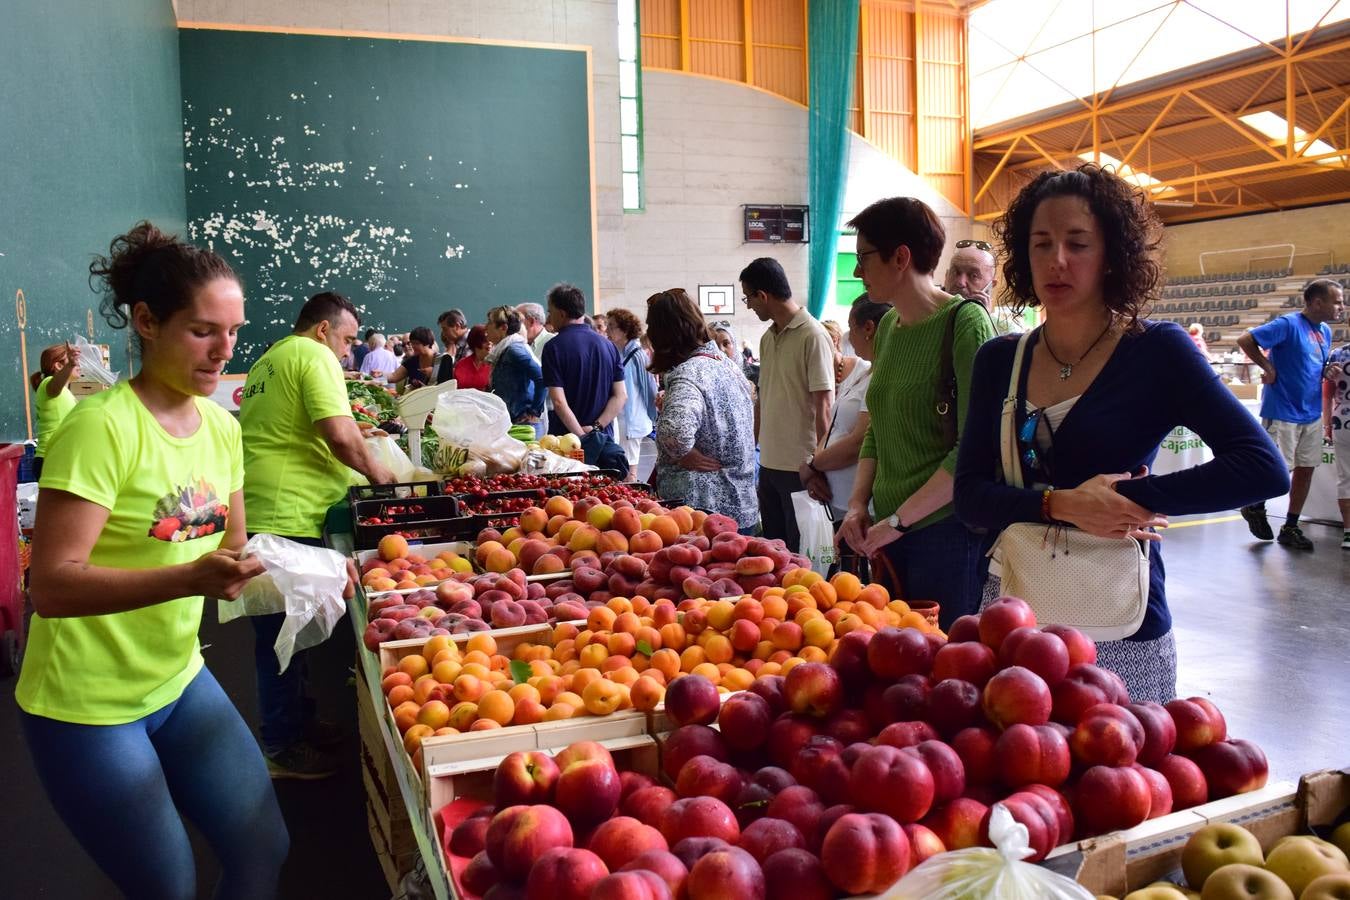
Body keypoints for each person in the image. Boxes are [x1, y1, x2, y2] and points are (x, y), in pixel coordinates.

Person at [18, 222, 289, 897]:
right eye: (203, 331)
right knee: (167, 885)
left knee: (264, 848)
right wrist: (186, 578)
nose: (223, 350)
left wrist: (303, 571)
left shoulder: (222, 427)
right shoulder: (101, 428)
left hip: (175, 677)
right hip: (87, 704)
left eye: (233, 331)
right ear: (146, 321)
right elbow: (49, 586)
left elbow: (233, 550)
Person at [953, 163, 1289, 702]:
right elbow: (969, 498)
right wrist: (1060, 504)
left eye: (1078, 243)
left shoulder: (1157, 351)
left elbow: (1262, 467)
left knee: (1121, 770)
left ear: (1112, 254)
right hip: (1013, 613)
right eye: (1041, 244)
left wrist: (1128, 499)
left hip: (1120, 623)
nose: (1057, 261)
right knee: (1016, 771)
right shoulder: (1000, 360)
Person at [240, 291, 396, 779]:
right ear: (324, 330)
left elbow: (298, 431)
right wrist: (381, 478)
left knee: (290, 633)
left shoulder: (272, 357)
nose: (348, 351)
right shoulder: (313, 354)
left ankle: (297, 724)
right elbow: (338, 433)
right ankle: (281, 745)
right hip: (289, 514)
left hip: (268, 508)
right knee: (281, 636)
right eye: (348, 340)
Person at [836, 198, 996, 629]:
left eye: (863, 258)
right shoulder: (888, 327)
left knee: (940, 671)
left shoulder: (966, 325)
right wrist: (856, 506)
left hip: (943, 535)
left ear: (901, 257)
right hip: (887, 534)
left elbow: (974, 449)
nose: (857, 272)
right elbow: (878, 428)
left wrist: (899, 522)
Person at [1236, 279, 1343, 550]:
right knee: (1278, 471)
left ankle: (1290, 526)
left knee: (1306, 469)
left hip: (1311, 412)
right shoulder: (1288, 324)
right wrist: (1267, 366)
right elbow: (1246, 339)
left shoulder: (1325, 331)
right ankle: (1254, 504)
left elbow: (1316, 364)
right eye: (1337, 301)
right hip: (1283, 410)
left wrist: (1327, 371)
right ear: (1318, 302)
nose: (1342, 306)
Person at [742, 257, 834, 552]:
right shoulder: (768, 338)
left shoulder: (814, 335)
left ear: (763, 296)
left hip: (801, 468)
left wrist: (819, 465)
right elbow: (764, 398)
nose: (748, 306)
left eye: (748, 298)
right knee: (774, 552)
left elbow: (824, 406)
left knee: (804, 555)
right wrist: (753, 448)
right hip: (768, 464)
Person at [648, 289, 758, 531]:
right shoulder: (729, 366)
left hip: (701, 515)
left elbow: (674, 433)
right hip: (741, 505)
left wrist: (682, 453)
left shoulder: (689, 373)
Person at [801, 295, 890, 570]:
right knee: (837, 574)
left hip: (863, 505)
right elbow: (833, 428)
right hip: (837, 500)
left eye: (852, 325)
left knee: (858, 582)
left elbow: (858, 443)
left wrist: (813, 464)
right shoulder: (862, 372)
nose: (849, 334)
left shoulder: (880, 377)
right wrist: (811, 465)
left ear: (869, 328)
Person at [541, 284, 628, 465]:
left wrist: (580, 437)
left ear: (562, 313)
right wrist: (596, 429)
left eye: (551, 312)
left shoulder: (553, 347)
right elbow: (621, 396)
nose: (549, 318)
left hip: (567, 444)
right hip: (603, 441)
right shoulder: (608, 345)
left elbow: (558, 401)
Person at [605, 307, 657, 479]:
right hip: (622, 418)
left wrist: (652, 415)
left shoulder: (637, 354)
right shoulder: (620, 353)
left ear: (625, 330)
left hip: (632, 418)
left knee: (629, 468)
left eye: (612, 326)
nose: (607, 330)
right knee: (625, 464)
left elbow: (649, 388)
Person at [485, 305, 546, 435]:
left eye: (490, 323)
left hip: (524, 425)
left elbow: (542, 377)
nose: (486, 327)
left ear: (503, 328)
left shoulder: (514, 350)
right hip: (514, 422)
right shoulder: (504, 349)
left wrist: (534, 412)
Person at [30, 342, 82, 481]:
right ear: (58, 366)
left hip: (59, 458)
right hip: (51, 459)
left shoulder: (66, 393)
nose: (78, 365)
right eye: (71, 361)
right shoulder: (48, 383)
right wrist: (70, 365)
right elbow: (54, 386)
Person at [1325, 337, 1350, 549]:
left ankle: (1348, 534)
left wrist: (1327, 426)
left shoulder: (1337, 354)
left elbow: (1327, 394)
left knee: (1345, 478)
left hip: (1342, 420)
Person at [942, 238, 998, 308]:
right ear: (946, 276)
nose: (961, 283)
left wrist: (983, 316)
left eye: (973, 276)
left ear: (991, 285)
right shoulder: (926, 313)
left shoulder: (992, 319)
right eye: (955, 273)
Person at [387, 326, 440, 390]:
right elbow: (393, 377)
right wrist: (379, 376)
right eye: (412, 343)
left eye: (416, 343)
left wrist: (435, 373)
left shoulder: (441, 360)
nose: (413, 346)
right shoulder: (412, 361)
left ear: (427, 343)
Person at [453, 324, 493, 391]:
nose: (490, 343)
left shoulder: (494, 364)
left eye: (491, 339)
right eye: (485, 340)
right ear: (476, 341)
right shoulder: (461, 364)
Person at [435, 309, 471, 382]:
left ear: (457, 326)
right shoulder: (455, 344)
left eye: (445, 329)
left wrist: (437, 373)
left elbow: (464, 373)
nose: (443, 333)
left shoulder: (471, 342)